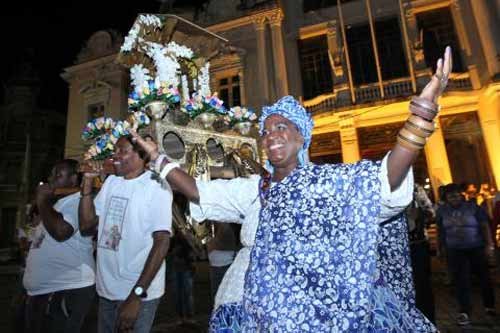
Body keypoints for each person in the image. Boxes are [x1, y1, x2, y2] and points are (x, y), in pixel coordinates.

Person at [131, 47, 453, 332]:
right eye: (266, 131)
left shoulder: (325, 184)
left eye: (282, 127)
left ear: (302, 139)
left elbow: (383, 182)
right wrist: (158, 158)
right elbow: (200, 192)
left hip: (318, 314)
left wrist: (419, 118)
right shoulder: (255, 189)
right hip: (247, 309)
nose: (271, 135)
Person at [79, 135, 173, 333]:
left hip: (138, 293)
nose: (115, 156)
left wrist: (136, 296)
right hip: (106, 290)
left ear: (141, 156)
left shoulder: (157, 186)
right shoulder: (112, 182)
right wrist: (87, 183)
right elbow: (87, 226)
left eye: (122, 151)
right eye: (115, 150)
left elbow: (162, 242)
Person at [22, 159, 95, 333]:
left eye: (58, 175)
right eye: (51, 174)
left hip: (67, 289)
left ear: (73, 179)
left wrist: (42, 201)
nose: (52, 178)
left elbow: (62, 232)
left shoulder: (77, 201)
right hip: (43, 292)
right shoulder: (56, 204)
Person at [436, 183, 496, 326]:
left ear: (461, 195)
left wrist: (489, 245)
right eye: (451, 196)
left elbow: (484, 226)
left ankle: (489, 306)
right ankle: (464, 311)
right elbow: (441, 231)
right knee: (461, 281)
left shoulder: (473, 207)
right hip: (455, 250)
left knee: (484, 277)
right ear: (446, 198)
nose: (454, 198)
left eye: (456, 195)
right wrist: (440, 248)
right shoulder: (442, 211)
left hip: (475, 247)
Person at [170, 230, 196, 324]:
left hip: (185, 269)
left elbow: (192, 253)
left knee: (187, 294)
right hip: (177, 269)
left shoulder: (187, 240)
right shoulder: (173, 241)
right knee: (178, 294)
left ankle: (188, 315)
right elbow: (169, 253)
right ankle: (180, 316)